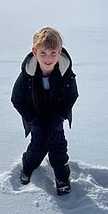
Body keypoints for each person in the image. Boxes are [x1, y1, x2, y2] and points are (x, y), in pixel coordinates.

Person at [11, 27, 78, 196]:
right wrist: (32, 120)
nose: (48, 58)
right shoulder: (27, 75)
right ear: (35, 52)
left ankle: (62, 178)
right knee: (38, 146)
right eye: (43, 53)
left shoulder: (66, 73)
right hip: (37, 118)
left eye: (53, 53)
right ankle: (28, 166)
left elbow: (72, 96)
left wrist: (60, 117)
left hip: (56, 117)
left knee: (58, 146)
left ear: (59, 52)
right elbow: (16, 100)